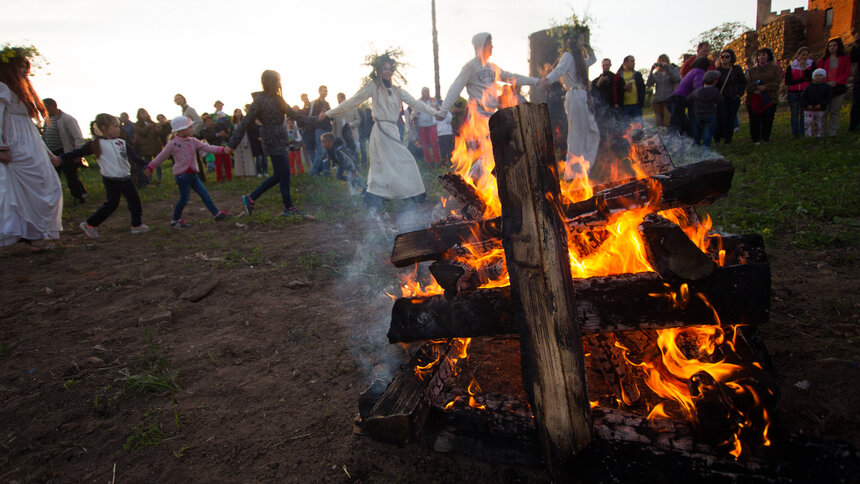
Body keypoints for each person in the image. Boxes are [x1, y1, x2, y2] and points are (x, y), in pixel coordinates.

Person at [320, 52, 439, 209]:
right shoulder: (373, 87)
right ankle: (406, 195)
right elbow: (353, 101)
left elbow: (417, 104)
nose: (387, 72)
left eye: (390, 69)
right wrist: (328, 113)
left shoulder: (397, 90)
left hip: (393, 130)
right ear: (378, 70)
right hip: (381, 131)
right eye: (384, 68)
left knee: (394, 162)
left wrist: (436, 113)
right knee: (389, 163)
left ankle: (398, 194)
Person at [0, 45, 63, 251]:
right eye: (19, 66)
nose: (23, 70)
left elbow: (32, 127)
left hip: (31, 143)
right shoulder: (3, 88)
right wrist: (2, 147)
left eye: (25, 66)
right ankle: (33, 236)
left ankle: (38, 233)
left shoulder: (22, 89)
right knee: (25, 191)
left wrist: (48, 152)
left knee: (48, 185)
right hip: (16, 144)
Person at [229, 70, 313, 219]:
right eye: (277, 81)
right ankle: (288, 208)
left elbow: (294, 115)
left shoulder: (278, 99)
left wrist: (316, 120)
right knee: (284, 173)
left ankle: (251, 198)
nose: (279, 83)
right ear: (270, 82)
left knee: (279, 174)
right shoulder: (260, 100)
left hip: (280, 137)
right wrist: (232, 144)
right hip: (271, 138)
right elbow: (245, 122)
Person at [61, 114, 150, 238]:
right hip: (111, 180)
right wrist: (60, 159)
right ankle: (90, 224)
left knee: (135, 202)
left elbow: (134, 157)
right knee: (112, 204)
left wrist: (147, 166)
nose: (118, 129)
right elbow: (77, 153)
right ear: (104, 127)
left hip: (126, 178)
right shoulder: (96, 144)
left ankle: (136, 225)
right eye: (115, 126)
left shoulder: (121, 143)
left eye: (118, 126)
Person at [144, 116, 232, 228]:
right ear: (181, 130)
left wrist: (223, 150)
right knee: (184, 199)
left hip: (193, 175)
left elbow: (208, 148)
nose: (192, 129)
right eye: (189, 127)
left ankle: (216, 213)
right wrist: (150, 167)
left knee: (205, 194)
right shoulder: (173, 143)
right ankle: (175, 220)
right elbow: (161, 156)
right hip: (182, 176)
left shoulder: (193, 140)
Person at [439, 33, 538, 118]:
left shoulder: (492, 67)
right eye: (489, 44)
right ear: (481, 46)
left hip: (491, 115)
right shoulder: (470, 67)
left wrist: (536, 81)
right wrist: (443, 111)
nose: (492, 46)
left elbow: (513, 77)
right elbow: (455, 87)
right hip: (477, 117)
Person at [539, 30, 600, 165]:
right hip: (574, 95)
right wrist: (547, 80)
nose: (581, 43)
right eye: (580, 40)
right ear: (573, 42)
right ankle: (573, 170)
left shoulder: (579, 60)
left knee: (592, 131)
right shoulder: (568, 56)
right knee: (576, 134)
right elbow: (559, 70)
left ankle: (583, 165)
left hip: (582, 95)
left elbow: (593, 59)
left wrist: (587, 46)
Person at [41, 98, 87, 204]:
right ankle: (54, 199)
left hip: (65, 152)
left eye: (45, 108)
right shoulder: (47, 120)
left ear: (52, 106)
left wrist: (78, 153)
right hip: (52, 153)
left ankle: (78, 197)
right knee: (52, 176)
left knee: (71, 176)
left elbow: (78, 137)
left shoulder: (67, 119)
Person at [745, 48, 782, 144]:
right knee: (754, 119)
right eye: (759, 55)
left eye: (764, 55)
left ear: (769, 56)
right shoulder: (751, 71)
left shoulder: (776, 69)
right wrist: (755, 88)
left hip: (770, 98)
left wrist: (765, 87)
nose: (761, 57)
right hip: (754, 99)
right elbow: (747, 84)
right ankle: (755, 139)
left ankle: (766, 137)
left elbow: (777, 82)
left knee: (768, 119)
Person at [816, 37, 851, 136]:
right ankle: (821, 132)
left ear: (839, 46)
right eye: (830, 46)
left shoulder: (845, 58)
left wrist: (837, 81)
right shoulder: (822, 60)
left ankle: (832, 132)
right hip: (825, 88)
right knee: (824, 110)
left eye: (834, 45)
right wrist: (827, 81)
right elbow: (819, 73)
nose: (832, 47)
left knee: (835, 110)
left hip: (839, 87)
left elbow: (847, 72)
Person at [669, 57, 709, 138]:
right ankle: (672, 144)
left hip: (674, 99)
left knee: (683, 123)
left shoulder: (692, 71)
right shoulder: (700, 72)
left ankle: (687, 142)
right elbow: (698, 87)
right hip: (679, 99)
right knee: (677, 125)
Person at [713, 49, 746, 145]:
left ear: (731, 58)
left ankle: (728, 140)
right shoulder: (718, 71)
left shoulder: (736, 69)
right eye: (722, 56)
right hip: (721, 99)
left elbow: (743, 82)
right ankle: (717, 139)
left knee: (730, 119)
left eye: (727, 56)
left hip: (733, 98)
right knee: (720, 119)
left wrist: (740, 93)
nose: (724, 58)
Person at [687, 71, 722, 148]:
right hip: (710, 114)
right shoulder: (715, 91)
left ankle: (696, 143)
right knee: (708, 131)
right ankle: (706, 147)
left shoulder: (698, 91)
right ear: (715, 81)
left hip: (699, 114)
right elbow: (720, 100)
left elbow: (689, 98)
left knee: (699, 130)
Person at [785, 47, 814, 138]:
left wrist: (805, 68)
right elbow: (788, 81)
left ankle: (803, 132)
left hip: (805, 92)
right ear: (798, 55)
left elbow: (811, 78)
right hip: (793, 92)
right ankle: (795, 133)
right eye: (803, 55)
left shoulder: (811, 65)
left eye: (807, 55)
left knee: (803, 113)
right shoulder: (791, 66)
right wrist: (802, 80)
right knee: (794, 114)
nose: (805, 57)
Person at [645, 54, 680, 128]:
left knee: (667, 121)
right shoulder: (656, 74)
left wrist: (668, 69)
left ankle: (667, 137)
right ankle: (660, 138)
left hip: (668, 99)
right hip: (657, 100)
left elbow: (676, 79)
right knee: (659, 123)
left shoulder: (673, 70)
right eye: (661, 61)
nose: (663, 63)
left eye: (665, 60)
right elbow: (648, 84)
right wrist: (651, 71)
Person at [801, 69, 833, 138]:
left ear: (824, 77)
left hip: (820, 109)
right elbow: (803, 98)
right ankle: (808, 136)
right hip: (809, 109)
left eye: (820, 75)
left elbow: (828, 98)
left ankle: (818, 135)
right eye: (816, 76)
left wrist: (821, 104)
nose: (818, 77)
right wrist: (807, 105)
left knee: (819, 123)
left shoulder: (827, 87)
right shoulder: (808, 88)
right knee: (808, 123)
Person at [199, 113, 232, 182]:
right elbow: (208, 137)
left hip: (224, 145)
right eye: (207, 121)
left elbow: (227, 132)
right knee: (218, 164)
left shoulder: (219, 126)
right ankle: (220, 178)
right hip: (215, 148)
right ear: (205, 123)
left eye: (210, 120)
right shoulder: (204, 130)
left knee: (227, 163)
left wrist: (226, 135)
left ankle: (229, 177)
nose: (210, 122)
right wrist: (218, 134)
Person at [134, 108, 163, 185]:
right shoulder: (137, 124)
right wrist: (148, 127)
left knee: (158, 163)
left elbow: (158, 133)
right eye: (142, 114)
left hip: (155, 145)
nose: (144, 115)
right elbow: (141, 132)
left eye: (145, 113)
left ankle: (160, 179)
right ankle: (149, 180)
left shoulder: (152, 122)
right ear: (139, 115)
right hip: (146, 147)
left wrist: (158, 131)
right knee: (148, 164)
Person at [308, 85, 332, 175]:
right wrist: (319, 115)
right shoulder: (315, 103)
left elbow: (330, 116)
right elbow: (310, 116)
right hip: (319, 129)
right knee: (321, 151)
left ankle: (326, 171)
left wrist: (329, 114)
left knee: (328, 150)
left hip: (327, 129)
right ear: (319, 92)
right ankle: (314, 171)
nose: (326, 92)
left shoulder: (327, 103)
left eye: (327, 91)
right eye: (324, 91)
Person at [414, 87, 441, 165]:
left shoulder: (433, 100)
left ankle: (436, 160)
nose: (426, 93)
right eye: (425, 92)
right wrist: (415, 115)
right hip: (421, 125)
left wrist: (435, 107)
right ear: (422, 93)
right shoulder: (418, 102)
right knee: (424, 144)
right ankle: (428, 161)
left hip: (432, 124)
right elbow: (414, 113)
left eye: (427, 91)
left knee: (434, 143)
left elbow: (438, 109)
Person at [231, 109, 256, 177]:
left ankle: (249, 172)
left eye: (239, 112)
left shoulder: (244, 122)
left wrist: (246, 142)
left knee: (247, 157)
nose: (238, 114)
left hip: (245, 140)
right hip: (237, 142)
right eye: (236, 112)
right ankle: (242, 173)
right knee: (239, 158)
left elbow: (246, 133)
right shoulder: (233, 123)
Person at [851, 32, 860, 132]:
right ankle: (853, 126)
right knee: (856, 104)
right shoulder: (857, 47)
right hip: (858, 80)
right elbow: (853, 58)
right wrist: (856, 44)